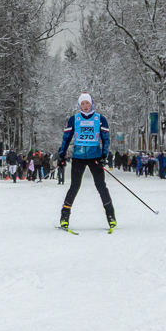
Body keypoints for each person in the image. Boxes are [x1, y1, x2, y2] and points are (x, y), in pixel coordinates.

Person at [57, 93, 115, 231]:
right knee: (74, 186)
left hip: (95, 157)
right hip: (78, 157)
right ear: (79, 105)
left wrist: (104, 156)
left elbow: (106, 139)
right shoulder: (74, 119)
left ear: (92, 103)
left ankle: (111, 217)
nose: (85, 106)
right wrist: (62, 155)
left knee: (101, 186)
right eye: (82, 104)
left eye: (87, 103)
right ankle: (64, 217)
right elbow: (66, 138)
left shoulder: (100, 119)